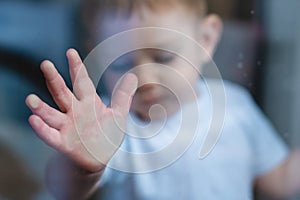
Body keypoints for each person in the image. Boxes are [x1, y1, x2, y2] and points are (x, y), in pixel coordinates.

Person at [25, 0, 300, 199]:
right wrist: (83, 166)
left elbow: (277, 182)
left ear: (205, 39)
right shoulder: (110, 125)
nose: (145, 79)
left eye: (163, 58)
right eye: (121, 64)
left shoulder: (235, 106)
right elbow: (64, 190)